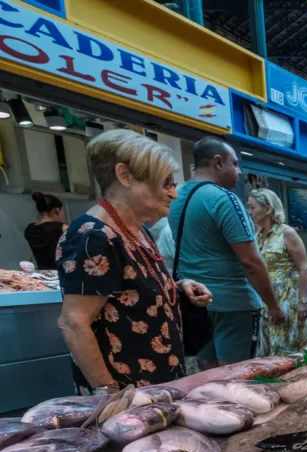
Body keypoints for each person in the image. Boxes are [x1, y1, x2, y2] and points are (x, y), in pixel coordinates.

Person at [56, 129, 212, 393]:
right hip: (127, 394)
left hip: (156, 382)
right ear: (125, 176)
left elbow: (128, 290)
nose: (173, 193)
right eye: (166, 183)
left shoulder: (136, 229)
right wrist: (109, 395)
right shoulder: (94, 236)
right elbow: (73, 321)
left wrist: (179, 285)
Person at [169, 136, 282, 368]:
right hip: (233, 304)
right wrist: (273, 304)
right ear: (218, 163)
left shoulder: (176, 197)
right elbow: (250, 260)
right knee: (236, 376)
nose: (239, 172)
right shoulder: (224, 199)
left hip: (196, 303)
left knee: (207, 373)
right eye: (235, 164)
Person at [246, 188, 307, 355]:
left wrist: (303, 302)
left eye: (253, 207)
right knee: (268, 350)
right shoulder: (257, 236)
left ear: (267, 209)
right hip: (267, 301)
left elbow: (303, 268)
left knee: (287, 350)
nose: (249, 212)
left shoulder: (286, 233)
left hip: (288, 300)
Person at [24, 191, 66, 270]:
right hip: (61, 274)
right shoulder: (62, 228)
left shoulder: (29, 230)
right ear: (57, 210)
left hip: (42, 274)